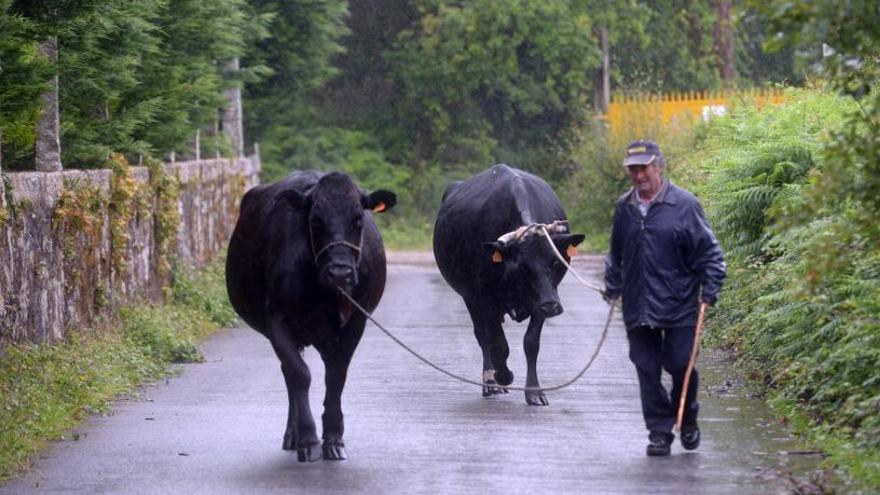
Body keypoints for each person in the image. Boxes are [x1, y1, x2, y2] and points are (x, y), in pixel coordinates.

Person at [603, 140, 726, 456]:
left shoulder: (684, 205)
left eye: (643, 167)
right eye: (633, 169)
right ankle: (659, 431)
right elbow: (616, 254)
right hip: (638, 303)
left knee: (680, 363)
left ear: (659, 167)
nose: (638, 174)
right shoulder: (624, 208)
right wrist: (612, 283)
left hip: (679, 302)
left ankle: (686, 420)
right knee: (646, 367)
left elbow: (710, 252)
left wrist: (710, 288)